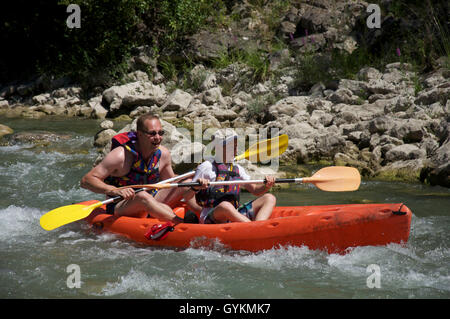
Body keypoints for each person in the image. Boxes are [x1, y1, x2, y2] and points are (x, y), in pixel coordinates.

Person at [80, 113, 200, 224]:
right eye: (152, 134)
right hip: (121, 205)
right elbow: (86, 181)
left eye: (160, 133)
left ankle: (204, 216)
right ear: (140, 134)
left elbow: (170, 181)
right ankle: (181, 224)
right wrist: (113, 190)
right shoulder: (121, 156)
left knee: (187, 183)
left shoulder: (163, 154)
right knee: (142, 196)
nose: (158, 137)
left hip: (153, 199)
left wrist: (193, 179)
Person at [192, 128, 276, 224]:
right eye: (233, 148)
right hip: (213, 217)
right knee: (225, 206)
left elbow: (255, 190)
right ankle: (254, 228)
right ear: (220, 147)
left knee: (269, 198)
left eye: (236, 147)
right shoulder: (206, 167)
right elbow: (187, 196)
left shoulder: (237, 168)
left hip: (235, 213)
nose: (236, 152)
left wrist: (267, 185)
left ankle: (259, 226)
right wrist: (195, 187)